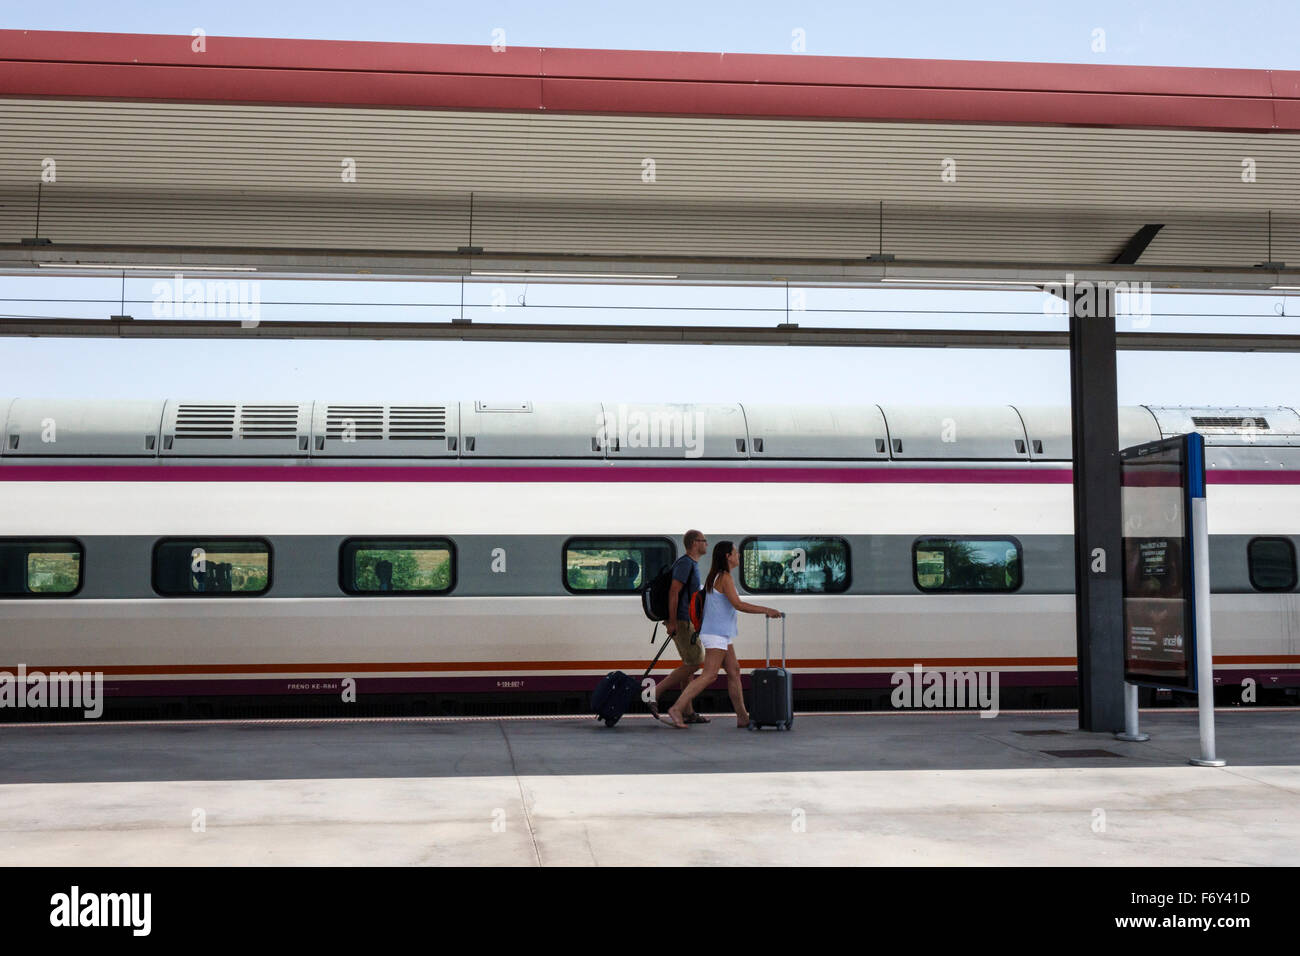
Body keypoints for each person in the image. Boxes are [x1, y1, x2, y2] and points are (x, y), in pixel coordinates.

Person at [667, 540, 781, 730]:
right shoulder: (725, 578)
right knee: (709, 675)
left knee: (734, 671)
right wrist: (766, 610)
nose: (739, 556)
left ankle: (743, 717)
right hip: (716, 634)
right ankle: (677, 708)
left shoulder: (717, 576)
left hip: (722, 633)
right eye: (736, 553)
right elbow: (738, 604)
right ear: (728, 557)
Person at [648, 530, 710, 724]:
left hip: (687, 619)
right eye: (703, 541)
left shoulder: (691, 564)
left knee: (689, 663)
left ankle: (688, 711)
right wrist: (673, 621)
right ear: (694, 543)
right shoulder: (685, 563)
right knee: (695, 662)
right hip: (682, 620)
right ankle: (653, 693)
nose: (706, 544)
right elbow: (674, 593)